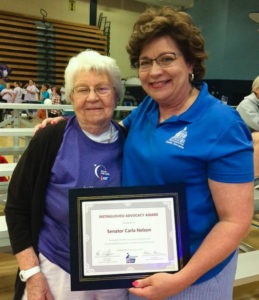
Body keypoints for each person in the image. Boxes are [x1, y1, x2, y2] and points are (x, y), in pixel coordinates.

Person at [34, 7, 254, 300]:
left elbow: (235, 221)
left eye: (166, 59)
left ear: (190, 62)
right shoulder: (148, 110)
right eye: (145, 62)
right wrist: (66, 125)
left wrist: (181, 280)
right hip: (136, 265)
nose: (154, 71)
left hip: (194, 279)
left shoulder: (222, 124)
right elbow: (106, 134)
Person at [5, 50, 128, 300]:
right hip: (57, 269)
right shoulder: (51, 138)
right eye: (83, 90)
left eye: (102, 89)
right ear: (71, 97)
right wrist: (31, 273)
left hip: (116, 270)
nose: (92, 98)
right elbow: (17, 207)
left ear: (116, 95)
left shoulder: (131, 142)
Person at [236, 76, 259, 184]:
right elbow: (257, 124)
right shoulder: (246, 105)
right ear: (257, 90)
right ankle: (256, 177)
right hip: (241, 141)